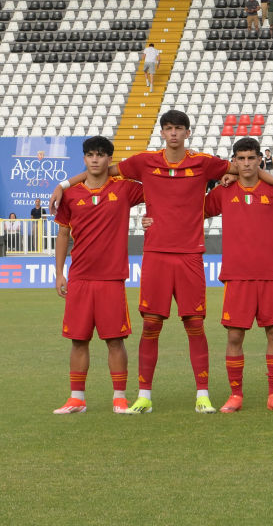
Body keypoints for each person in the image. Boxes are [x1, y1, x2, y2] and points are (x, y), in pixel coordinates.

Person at [49, 110, 273, 414]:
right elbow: (103, 171)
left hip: (191, 255)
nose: (174, 133)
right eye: (168, 128)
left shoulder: (203, 163)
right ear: (162, 133)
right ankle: (144, 395)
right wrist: (64, 184)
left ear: (187, 133)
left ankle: (202, 395)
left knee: (194, 324)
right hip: (155, 256)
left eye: (179, 128)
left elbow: (244, 169)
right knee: (151, 325)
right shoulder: (143, 163)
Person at [198, 138, 273, 413]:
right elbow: (191, 212)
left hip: (270, 275)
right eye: (241, 158)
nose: (246, 163)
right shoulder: (224, 191)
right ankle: (236, 395)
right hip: (237, 276)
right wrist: (152, 219)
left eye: (251, 158)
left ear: (260, 160)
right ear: (234, 161)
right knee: (235, 336)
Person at [52, 136, 145, 415]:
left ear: (109, 159)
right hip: (79, 277)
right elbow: (63, 234)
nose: (95, 159)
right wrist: (59, 273)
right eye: (90, 155)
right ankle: (77, 399)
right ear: (84, 158)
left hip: (111, 278)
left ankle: (119, 399)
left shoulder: (125, 189)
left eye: (101, 155)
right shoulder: (71, 195)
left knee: (115, 340)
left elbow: (158, 184)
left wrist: (63, 181)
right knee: (78, 339)